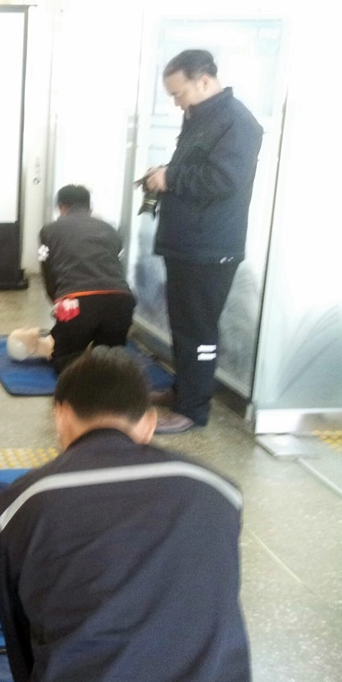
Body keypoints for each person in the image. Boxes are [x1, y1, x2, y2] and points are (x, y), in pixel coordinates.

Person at [0, 347, 270, 682]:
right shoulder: (219, 490)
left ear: (61, 415)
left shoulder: (15, 507)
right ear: (148, 422)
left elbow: (23, 642)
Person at [142, 49, 264, 434]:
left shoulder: (238, 122)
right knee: (183, 326)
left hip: (210, 249)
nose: (176, 102)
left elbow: (224, 180)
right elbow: (196, 167)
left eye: (179, 93)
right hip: (186, 243)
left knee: (199, 330)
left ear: (205, 81)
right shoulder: (201, 116)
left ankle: (193, 411)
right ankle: (183, 390)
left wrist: (171, 178)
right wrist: (166, 172)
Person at [14, 184, 134, 373]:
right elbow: (114, 258)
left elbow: (47, 272)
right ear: (89, 207)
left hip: (77, 302)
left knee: (66, 360)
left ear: (62, 207)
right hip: (121, 301)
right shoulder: (110, 229)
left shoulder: (49, 231)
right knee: (110, 362)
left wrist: (58, 304)